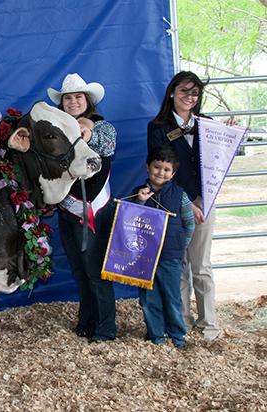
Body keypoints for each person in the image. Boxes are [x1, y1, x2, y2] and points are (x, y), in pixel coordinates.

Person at [147, 71, 222, 342]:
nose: (189, 97)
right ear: (171, 93)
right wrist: (186, 203)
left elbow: (219, 163)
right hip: (173, 202)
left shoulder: (209, 125)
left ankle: (209, 325)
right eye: (184, 91)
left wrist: (230, 138)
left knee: (201, 264)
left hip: (206, 200)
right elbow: (162, 170)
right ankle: (181, 321)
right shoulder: (157, 127)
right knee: (177, 264)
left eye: (194, 93)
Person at [48, 73, 117, 342]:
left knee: (97, 273)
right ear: (62, 102)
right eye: (68, 98)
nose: (73, 101)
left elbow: (97, 152)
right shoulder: (55, 130)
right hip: (68, 210)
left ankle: (105, 328)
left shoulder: (104, 128)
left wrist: (83, 129)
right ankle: (87, 321)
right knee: (79, 271)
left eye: (78, 97)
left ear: (88, 100)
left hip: (94, 211)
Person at [132, 145, 195, 348]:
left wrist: (180, 247)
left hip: (171, 256)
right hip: (144, 257)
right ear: (148, 167)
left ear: (173, 173)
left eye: (166, 169)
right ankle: (156, 335)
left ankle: (177, 335)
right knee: (149, 299)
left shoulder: (180, 195)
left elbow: (190, 223)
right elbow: (129, 221)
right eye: (157, 167)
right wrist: (140, 202)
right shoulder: (137, 194)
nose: (161, 172)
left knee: (172, 296)